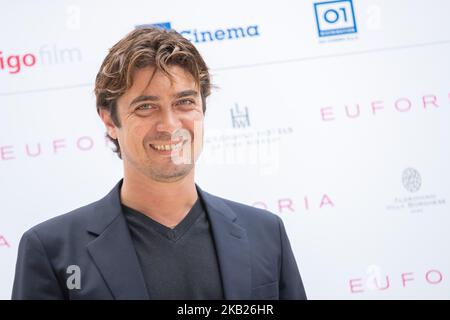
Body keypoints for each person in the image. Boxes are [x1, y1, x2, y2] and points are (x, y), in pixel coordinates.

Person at [11, 27, 307, 300]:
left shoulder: (266, 233)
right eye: (146, 107)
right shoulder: (51, 251)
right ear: (109, 121)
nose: (169, 125)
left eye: (185, 102)